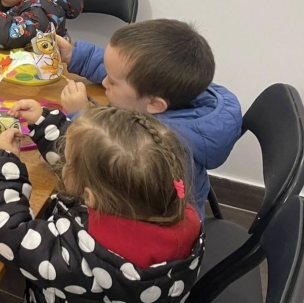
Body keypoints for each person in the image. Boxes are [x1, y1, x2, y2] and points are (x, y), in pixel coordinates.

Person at [0, 105, 203, 303]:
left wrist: (2, 163)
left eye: (68, 161)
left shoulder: (77, 251)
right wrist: (44, 123)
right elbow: (99, 165)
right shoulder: (174, 215)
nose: (65, 163)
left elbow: (8, 232)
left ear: (89, 197)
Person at [52, 19, 243, 215]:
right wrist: (75, 55)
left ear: (155, 104)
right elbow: (125, 71)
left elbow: (104, 160)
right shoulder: (181, 90)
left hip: (147, 220)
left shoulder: (157, 145)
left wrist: (81, 115)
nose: (105, 82)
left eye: (112, 82)